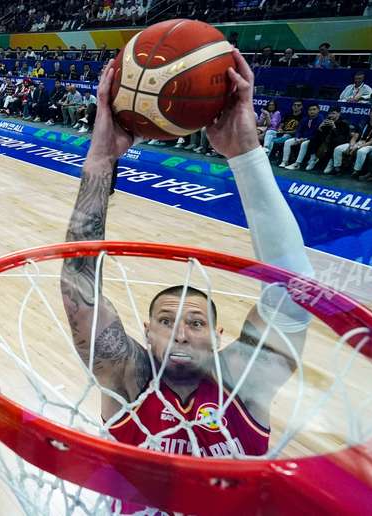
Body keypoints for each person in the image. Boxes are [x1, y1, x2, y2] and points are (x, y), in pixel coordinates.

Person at [60, 49, 313, 484]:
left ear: (219, 337)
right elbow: (78, 289)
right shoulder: (128, 379)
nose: (180, 332)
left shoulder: (244, 383)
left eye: (195, 323)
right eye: (166, 321)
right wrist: (101, 160)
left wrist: (246, 153)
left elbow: (294, 292)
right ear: (145, 332)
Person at [324, 105, 372, 176]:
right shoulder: (364, 122)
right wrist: (351, 145)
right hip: (357, 143)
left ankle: (356, 171)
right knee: (338, 149)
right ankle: (337, 168)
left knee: (361, 151)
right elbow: (355, 136)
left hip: (369, 145)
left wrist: (357, 147)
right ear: (370, 113)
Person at [304, 107, 352, 171]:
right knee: (314, 139)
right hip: (328, 140)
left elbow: (340, 136)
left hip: (341, 141)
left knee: (334, 141)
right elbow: (321, 134)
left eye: (333, 113)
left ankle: (331, 161)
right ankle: (313, 158)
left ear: (339, 114)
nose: (331, 115)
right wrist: (320, 128)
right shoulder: (327, 120)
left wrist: (334, 127)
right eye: (330, 113)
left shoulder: (344, 123)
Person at [280, 104, 323, 169]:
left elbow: (317, 134)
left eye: (314, 109)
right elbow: (299, 130)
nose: (312, 111)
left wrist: (305, 139)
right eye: (310, 110)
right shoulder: (305, 119)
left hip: (311, 139)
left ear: (318, 110)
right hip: (301, 138)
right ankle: (285, 161)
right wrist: (297, 138)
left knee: (304, 144)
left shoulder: (320, 119)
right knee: (287, 142)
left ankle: (297, 164)